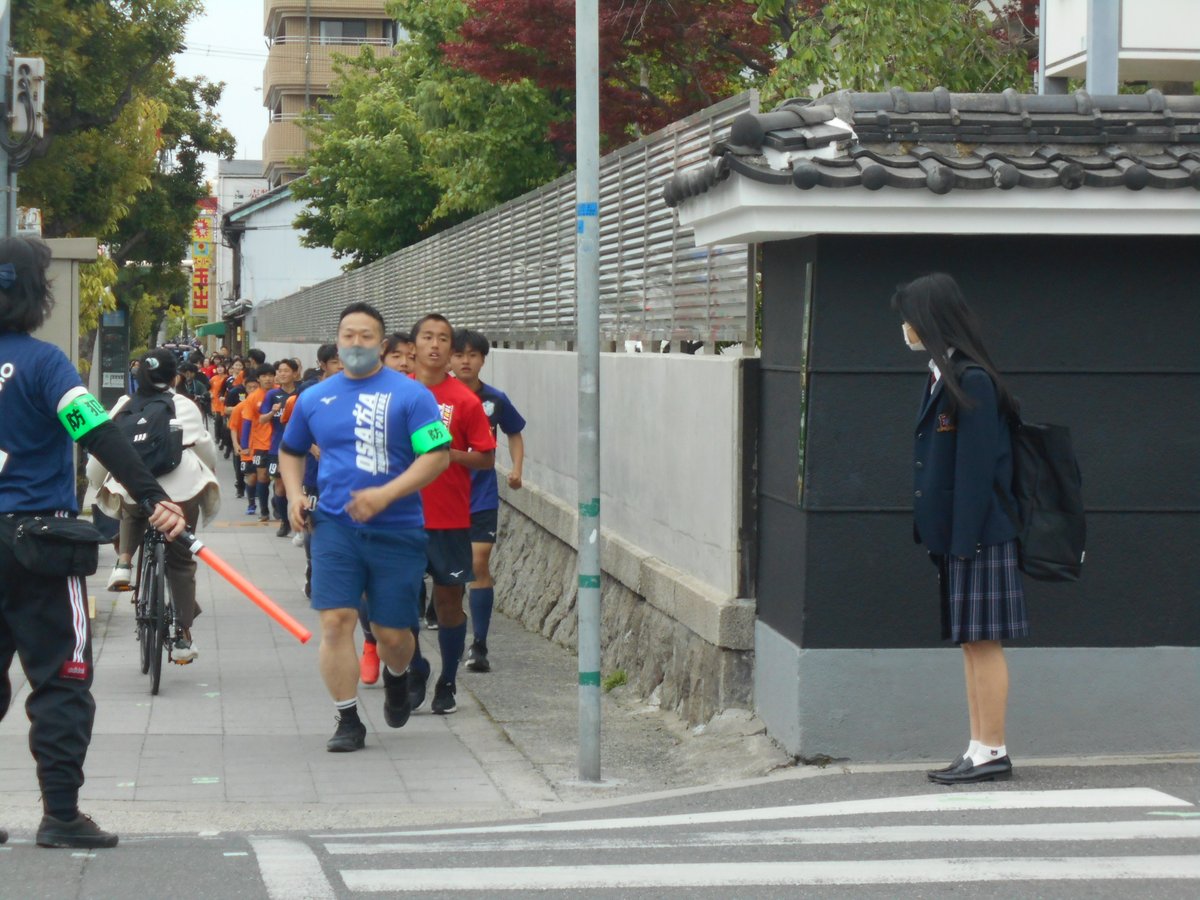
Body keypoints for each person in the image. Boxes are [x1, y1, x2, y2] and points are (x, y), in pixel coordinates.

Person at [0, 237, 186, 849]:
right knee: (61, 678)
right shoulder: (44, 363)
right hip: (36, 539)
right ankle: (59, 815)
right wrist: (152, 495)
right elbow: (97, 432)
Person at [279, 302, 450, 752]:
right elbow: (291, 450)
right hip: (334, 525)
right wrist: (296, 494)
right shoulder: (315, 397)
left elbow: (437, 456)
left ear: (384, 343)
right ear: (338, 341)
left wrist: (387, 494)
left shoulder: (412, 396)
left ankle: (398, 676)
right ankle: (347, 719)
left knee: (393, 633)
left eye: (366, 336)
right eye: (348, 336)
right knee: (336, 620)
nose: (356, 344)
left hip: (398, 528)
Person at [892, 273, 1026, 786]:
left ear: (929, 319)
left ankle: (992, 748)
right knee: (972, 642)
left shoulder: (971, 380)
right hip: (961, 536)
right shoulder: (943, 375)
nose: (903, 327)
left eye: (908, 316)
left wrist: (964, 540)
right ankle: (977, 747)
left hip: (980, 534)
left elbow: (977, 469)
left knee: (984, 641)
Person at [89, 350, 221, 662]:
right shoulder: (185, 405)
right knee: (181, 561)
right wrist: (208, 473)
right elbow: (205, 449)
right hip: (180, 489)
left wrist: (97, 481)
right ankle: (183, 638)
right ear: (175, 377)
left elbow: (101, 447)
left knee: (131, 506)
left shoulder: (124, 404)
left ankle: (123, 563)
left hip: (135, 486)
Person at [407, 314, 496, 715]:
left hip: (450, 521)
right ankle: (413, 668)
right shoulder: (394, 394)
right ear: (413, 347)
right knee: (400, 603)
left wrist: (446, 455)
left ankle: (447, 680)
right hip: (400, 520)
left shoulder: (464, 399)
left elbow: (486, 457)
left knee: (447, 603)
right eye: (428, 337)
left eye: (444, 339)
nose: (436, 345)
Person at [451, 329, 526, 673]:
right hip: (441, 496)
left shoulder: (495, 400)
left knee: (478, 564)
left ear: (483, 359)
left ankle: (478, 644)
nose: (465, 361)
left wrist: (516, 469)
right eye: (459, 354)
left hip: (481, 496)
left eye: (472, 355)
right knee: (446, 573)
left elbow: (514, 432)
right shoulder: (434, 397)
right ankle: (444, 620)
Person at [264, 359, 300, 537]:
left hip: (299, 446)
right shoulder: (272, 395)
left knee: (299, 486)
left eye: (286, 371)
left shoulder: (302, 393)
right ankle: (284, 522)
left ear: (295, 373)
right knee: (279, 486)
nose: (282, 374)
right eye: (280, 371)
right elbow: (262, 419)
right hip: (276, 447)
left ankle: (300, 520)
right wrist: (272, 411)